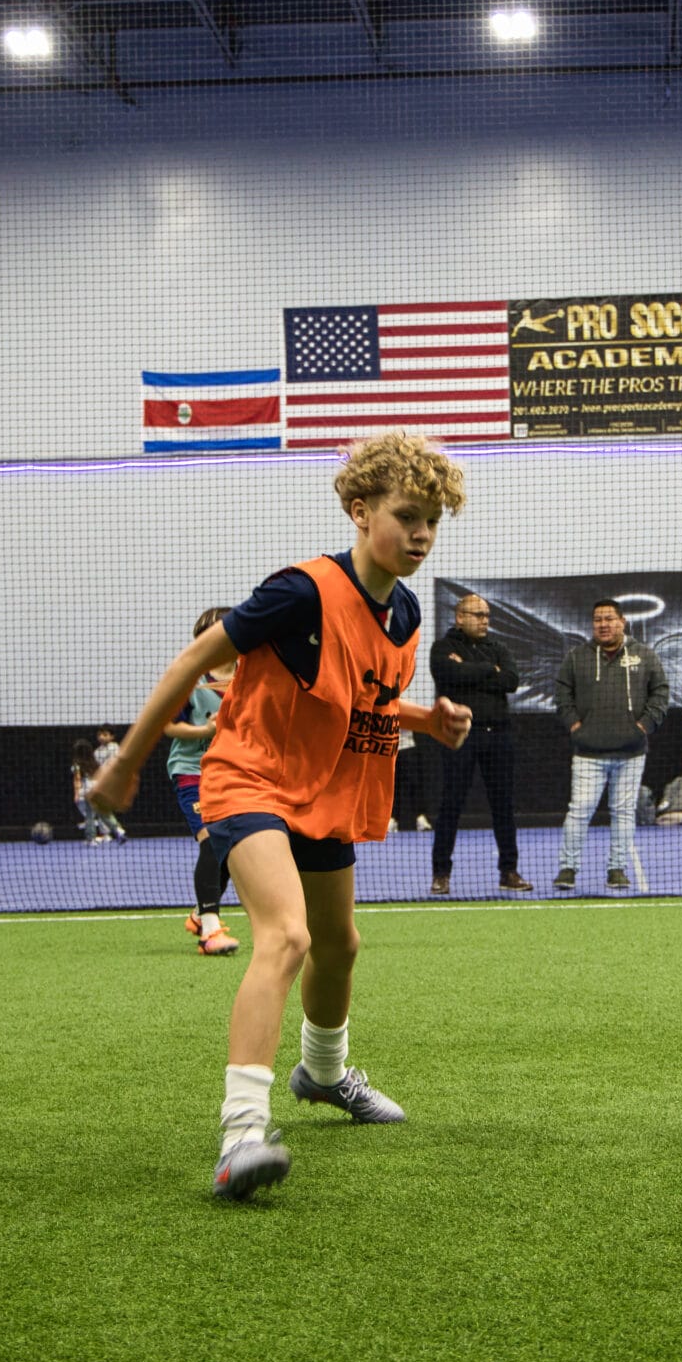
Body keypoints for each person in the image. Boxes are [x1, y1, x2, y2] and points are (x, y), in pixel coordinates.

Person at [89, 430, 472, 1201]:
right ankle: (240, 1133)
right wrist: (126, 762)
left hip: (323, 795)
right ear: (359, 511)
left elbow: (361, 696)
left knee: (340, 945)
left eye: (433, 518)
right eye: (408, 515)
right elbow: (192, 661)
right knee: (288, 935)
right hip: (248, 781)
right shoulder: (300, 590)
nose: (422, 533)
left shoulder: (402, 615)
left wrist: (424, 719)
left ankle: (323, 1077)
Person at [553, 601, 669, 893]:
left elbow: (661, 693)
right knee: (579, 810)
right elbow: (562, 694)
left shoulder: (645, 656)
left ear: (622, 622)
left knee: (624, 811)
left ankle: (617, 868)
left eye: (609, 619)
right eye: (597, 620)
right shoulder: (577, 657)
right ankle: (568, 868)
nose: (603, 625)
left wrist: (643, 726)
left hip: (631, 752)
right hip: (588, 753)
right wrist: (575, 726)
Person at [428, 592, 530, 894]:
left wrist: (470, 669)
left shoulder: (498, 647)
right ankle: (441, 874)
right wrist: (488, 669)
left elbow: (511, 680)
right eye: (478, 615)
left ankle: (508, 872)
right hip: (460, 737)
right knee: (451, 805)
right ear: (460, 617)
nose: (485, 620)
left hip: (498, 735)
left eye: (487, 615)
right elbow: (447, 674)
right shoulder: (443, 648)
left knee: (504, 807)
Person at [165, 608, 240, 953]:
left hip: (234, 772)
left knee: (229, 848)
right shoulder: (190, 678)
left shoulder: (251, 675)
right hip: (193, 770)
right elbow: (168, 725)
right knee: (210, 840)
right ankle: (210, 930)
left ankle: (198, 913)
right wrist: (204, 730)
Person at [72, 739, 114, 844]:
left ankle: (91, 838)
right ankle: (107, 834)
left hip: (85, 791)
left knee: (89, 816)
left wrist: (76, 793)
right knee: (100, 813)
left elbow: (77, 779)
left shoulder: (77, 764)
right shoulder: (94, 763)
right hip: (96, 790)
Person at [91, 730, 129, 840]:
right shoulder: (97, 752)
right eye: (99, 735)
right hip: (101, 781)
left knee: (104, 807)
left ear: (112, 736)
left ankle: (115, 830)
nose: (101, 737)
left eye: (105, 734)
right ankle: (107, 833)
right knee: (101, 807)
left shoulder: (115, 748)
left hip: (114, 781)